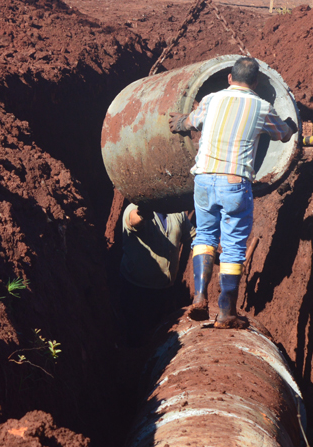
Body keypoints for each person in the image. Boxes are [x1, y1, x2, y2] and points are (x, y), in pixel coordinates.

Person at [169, 57, 297, 329]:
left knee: (204, 235)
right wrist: (290, 126)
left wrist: (180, 122)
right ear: (257, 82)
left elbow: (189, 122)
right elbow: (283, 135)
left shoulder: (211, 99)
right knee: (234, 246)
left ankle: (200, 297)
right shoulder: (263, 107)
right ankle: (226, 312)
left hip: (203, 178)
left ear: (229, 77)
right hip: (234, 183)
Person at [119, 202, 190, 347]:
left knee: (159, 334)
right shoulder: (134, 208)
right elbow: (133, 221)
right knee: (136, 336)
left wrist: (222, 259)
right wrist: (142, 214)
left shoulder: (177, 213)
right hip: (137, 290)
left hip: (165, 290)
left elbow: (195, 238)